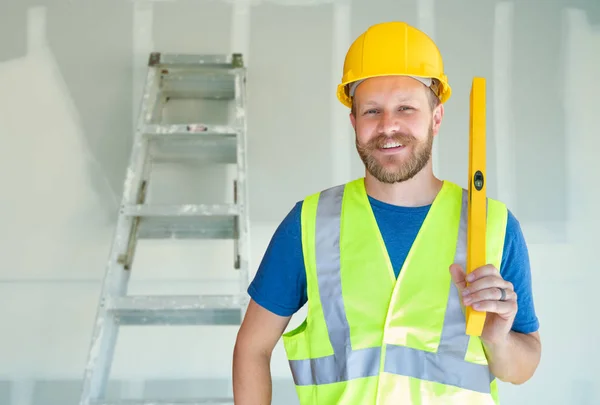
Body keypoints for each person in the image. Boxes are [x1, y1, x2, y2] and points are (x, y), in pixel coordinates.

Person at [232, 21, 541, 404]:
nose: (388, 126)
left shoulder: (494, 227)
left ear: (436, 118)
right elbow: (252, 348)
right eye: (372, 111)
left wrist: (497, 339)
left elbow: (522, 368)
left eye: (406, 109)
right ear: (354, 122)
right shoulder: (310, 224)